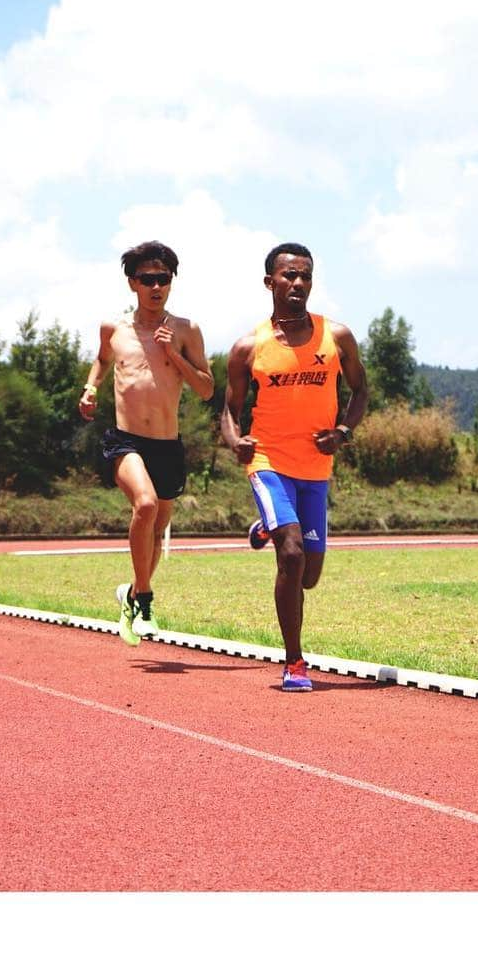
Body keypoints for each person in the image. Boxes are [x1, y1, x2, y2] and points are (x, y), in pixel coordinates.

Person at [221, 242, 368, 691]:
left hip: (315, 466)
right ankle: (295, 663)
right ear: (270, 282)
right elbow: (228, 409)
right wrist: (235, 441)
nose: (297, 283)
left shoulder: (336, 337)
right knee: (291, 554)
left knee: (309, 576)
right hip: (268, 461)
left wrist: (342, 433)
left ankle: (265, 527)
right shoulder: (249, 348)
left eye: (304, 276)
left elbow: (361, 391)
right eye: (288, 276)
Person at [80, 241, 214, 645]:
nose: (156, 286)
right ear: (132, 283)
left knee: (156, 532)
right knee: (146, 505)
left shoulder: (186, 330)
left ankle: (131, 592)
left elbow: (207, 389)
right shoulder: (113, 329)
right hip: (125, 440)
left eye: (163, 279)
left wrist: (173, 354)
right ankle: (146, 600)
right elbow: (103, 359)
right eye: (147, 279)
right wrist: (90, 388)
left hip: (167, 445)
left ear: (171, 282)